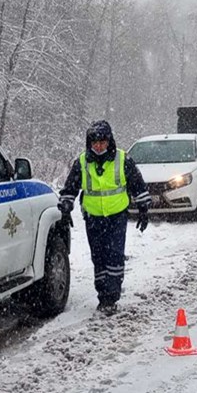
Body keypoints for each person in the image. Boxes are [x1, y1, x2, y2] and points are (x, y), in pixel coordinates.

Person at [58, 120, 151, 315]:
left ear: (109, 141)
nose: (98, 146)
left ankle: (112, 295)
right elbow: (70, 187)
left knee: (115, 256)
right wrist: (66, 207)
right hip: (93, 218)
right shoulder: (82, 162)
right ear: (89, 143)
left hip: (117, 216)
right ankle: (102, 294)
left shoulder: (123, 159)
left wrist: (143, 208)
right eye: (95, 142)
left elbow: (137, 184)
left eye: (102, 142)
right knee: (98, 257)